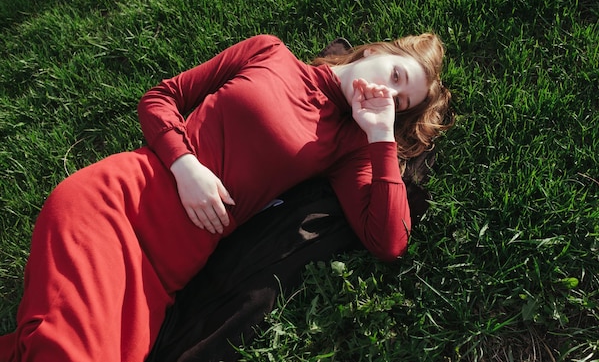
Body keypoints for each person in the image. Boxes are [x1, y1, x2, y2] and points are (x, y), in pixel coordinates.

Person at [0, 33, 452, 362]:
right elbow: (161, 97)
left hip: (164, 273)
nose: (388, 92)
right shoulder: (270, 52)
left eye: (400, 100)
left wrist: (380, 136)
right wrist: (184, 164)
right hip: (120, 201)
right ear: (374, 51)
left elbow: (388, 242)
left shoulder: (347, 146)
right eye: (395, 75)